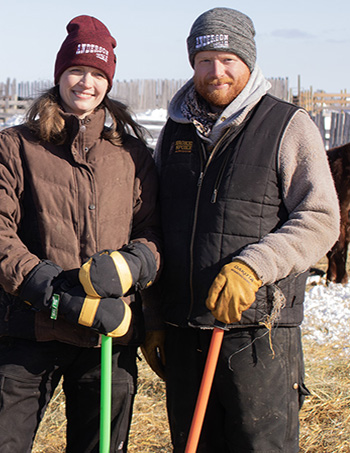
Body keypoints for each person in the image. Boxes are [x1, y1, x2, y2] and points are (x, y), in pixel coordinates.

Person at [140, 7, 340, 453]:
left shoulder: (286, 125)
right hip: (185, 329)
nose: (217, 72)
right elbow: (155, 225)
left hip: (258, 335)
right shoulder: (174, 132)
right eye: (205, 60)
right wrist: (154, 318)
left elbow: (321, 217)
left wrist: (253, 267)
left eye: (228, 59)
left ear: (249, 61)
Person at [0, 15, 161, 453]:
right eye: (77, 71)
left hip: (107, 337)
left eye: (97, 74)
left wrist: (134, 264)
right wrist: (59, 297)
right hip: (30, 331)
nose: (86, 83)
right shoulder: (16, 146)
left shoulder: (130, 155)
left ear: (108, 82)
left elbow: (153, 232)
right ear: (59, 76)